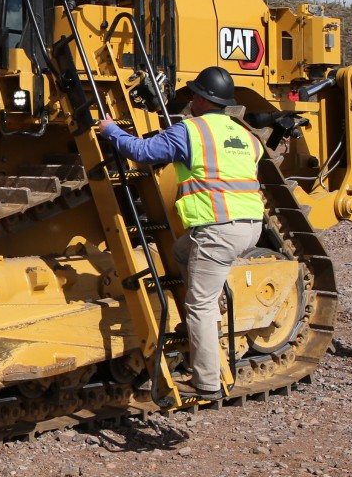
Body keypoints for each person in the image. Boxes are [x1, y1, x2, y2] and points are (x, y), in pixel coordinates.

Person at [98, 66, 265, 401]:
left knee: (199, 305)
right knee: (180, 251)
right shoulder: (247, 137)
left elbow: (144, 153)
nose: (189, 100)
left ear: (202, 99)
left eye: (193, 95)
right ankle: (212, 295)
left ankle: (207, 384)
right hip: (250, 226)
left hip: (217, 228)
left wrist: (112, 131)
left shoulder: (190, 131)